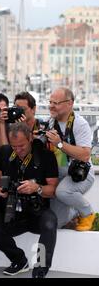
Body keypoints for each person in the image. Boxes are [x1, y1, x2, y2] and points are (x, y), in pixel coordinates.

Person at [0, 123, 59, 278]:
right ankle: (19, 260)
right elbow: (0, 180)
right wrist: (2, 190)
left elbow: (53, 190)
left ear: (30, 139)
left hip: (37, 210)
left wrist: (37, 188)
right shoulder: (5, 152)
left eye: (22, 146)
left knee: (50, 222)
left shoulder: (46, 156)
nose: (18, 150)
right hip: (13, 210)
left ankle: (40, 269)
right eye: (14, 147)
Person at [46, 87, 96, 230]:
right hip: (61, 174)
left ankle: (87, 213)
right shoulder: (50, 122)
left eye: (56, 102)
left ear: (69, 103)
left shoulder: (80, 124)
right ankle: (73, 213)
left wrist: (59, 144)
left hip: (81, 174)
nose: (51, 106)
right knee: (57, 222)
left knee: (63, 192)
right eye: (50, 102)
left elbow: (85, 155)